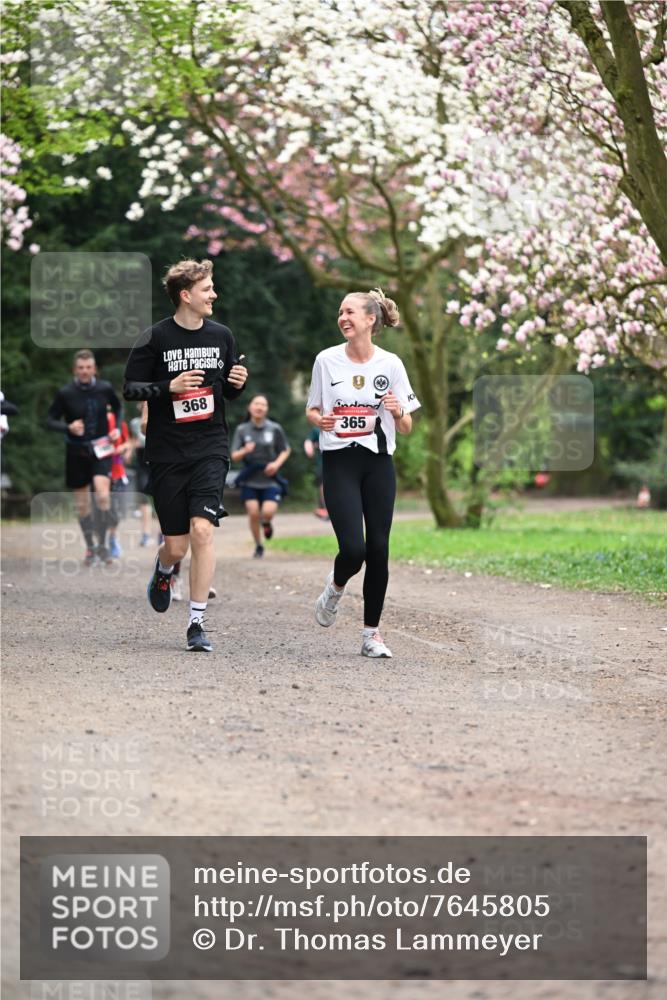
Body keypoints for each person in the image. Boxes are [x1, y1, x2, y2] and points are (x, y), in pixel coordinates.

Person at [123, 258, 248, 652]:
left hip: (210, 445)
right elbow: (131, 388)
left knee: (203, 531)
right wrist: (168, 386)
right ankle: (164, 569)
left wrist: (237, 383)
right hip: (167, 450)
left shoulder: (222, 335)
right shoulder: (154, 338)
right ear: (185, 295)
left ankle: (196, 623)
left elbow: (225, 391)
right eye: (208, 288)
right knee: (176, 545)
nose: (214, 294)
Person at [305, 287, 420, 658]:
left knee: (380, 550)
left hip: (378, 463)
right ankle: (335, 588)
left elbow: (407, 427)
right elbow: (313, 409)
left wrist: (398, 411)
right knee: (353, 549)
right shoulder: (326, 360)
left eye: (350, 312)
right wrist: (319, 420)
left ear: (371, 319)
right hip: (339, 461)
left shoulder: (391, 364)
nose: (343, 318)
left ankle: (372, 635)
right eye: (340, 312)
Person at [46, 350, 122, 565]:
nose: (85, 371)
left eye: (88, 367)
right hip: (76, 451)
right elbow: (50, 420)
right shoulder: (65, 393)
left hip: (101, 449)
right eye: (81, 368)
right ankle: (91, 547)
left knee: (102, 494)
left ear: (94, 369)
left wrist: (115, 428)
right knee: (82, 505)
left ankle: (105, 545)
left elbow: (118, 408)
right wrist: (67, 427)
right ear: (75, 370)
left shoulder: (104, 388)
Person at [231, 394, 291, 558]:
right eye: (256, 404)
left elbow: (285, 450)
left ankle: (266, 523)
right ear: (250, 407)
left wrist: (276, 464)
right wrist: (245, 450)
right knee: (252, 512)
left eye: (263, 405)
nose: (259, 407)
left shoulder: (274, 428)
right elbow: (234, 456)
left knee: (268, 512)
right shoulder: (242, 430)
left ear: (267, 409)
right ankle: (258, 545)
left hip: (270, 477)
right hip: (250, 478)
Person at [304, 426, 328, 519]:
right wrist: (309, 447)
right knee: (323, 485)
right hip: (323, 462)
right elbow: (308, 440)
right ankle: (325, 508)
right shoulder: (317, 429)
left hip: (341, 462)